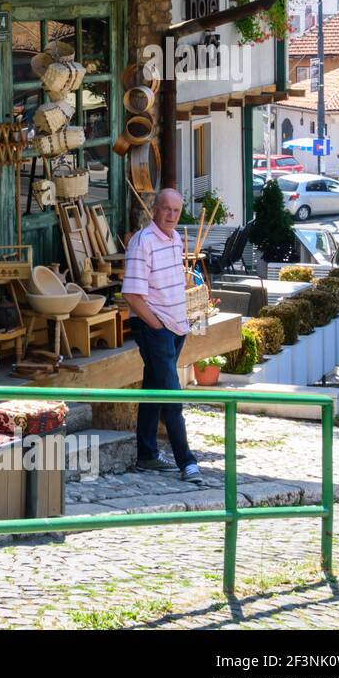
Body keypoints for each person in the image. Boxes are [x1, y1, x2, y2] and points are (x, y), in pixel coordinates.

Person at [122, 188, 202, 483]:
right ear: (154, 209)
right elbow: (131, 293)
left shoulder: (176, 238)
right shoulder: (142, 243)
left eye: (176, 211)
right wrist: (156, 326)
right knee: (171, 393)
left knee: (155, 387)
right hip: (154, 326)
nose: (171, 215)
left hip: (175, 325)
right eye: (166, 209)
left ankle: (146, 455)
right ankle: (187, 462)